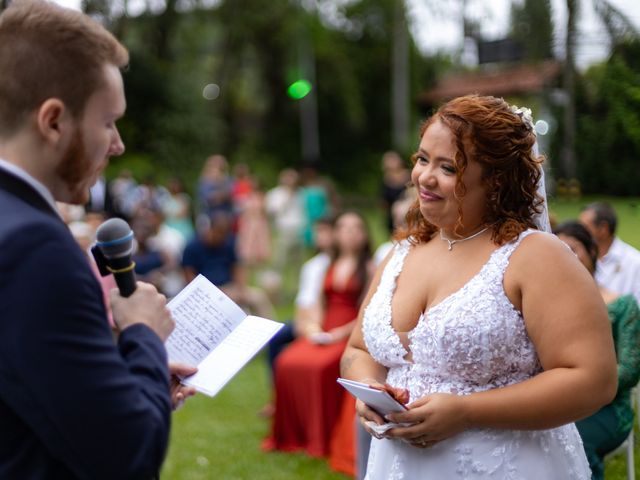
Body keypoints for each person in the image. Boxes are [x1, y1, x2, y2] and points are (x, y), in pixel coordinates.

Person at [340, 94, 617, 479]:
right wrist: (368, 389)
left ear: (495, 179)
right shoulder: (402, 252)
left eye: (448, 167)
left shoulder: (535, 256)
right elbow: (358, 348)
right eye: (422, 160)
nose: (425, 177)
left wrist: (468, 411)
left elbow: (594, 380)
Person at [0, 2, 195, 478]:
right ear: (53, 121)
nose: (118, 144)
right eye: (108, 121)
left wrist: (125, 379)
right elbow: (127, 455)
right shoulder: (36, 248)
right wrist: (143, 333)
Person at [264, 211, 373, 467]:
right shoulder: (326, 264)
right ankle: (291, 436)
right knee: (287, 360)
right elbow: (316, 304)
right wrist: (313, 327)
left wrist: (340, 334)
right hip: (324, 328)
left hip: (350, 331)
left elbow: (366, 311)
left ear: (364, 234)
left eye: (356, 227)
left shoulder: (369, 267)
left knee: (322, 367)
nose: (349, 233)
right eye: (343, 227)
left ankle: (320, 437)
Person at [554, 221, 640, 480]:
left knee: (577, 442)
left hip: (608, 407)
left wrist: (580, 382)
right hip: (554, 402)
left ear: (592, 252)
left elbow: (629, 370)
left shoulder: (622, 305)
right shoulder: (545, 307)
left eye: (572, 249)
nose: (565, 258)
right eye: (557, 251)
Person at [579, 201, 640, 304]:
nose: (579, 233)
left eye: (584, 227)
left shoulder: (635, 262)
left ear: (603, 229)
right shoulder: (579, 258)